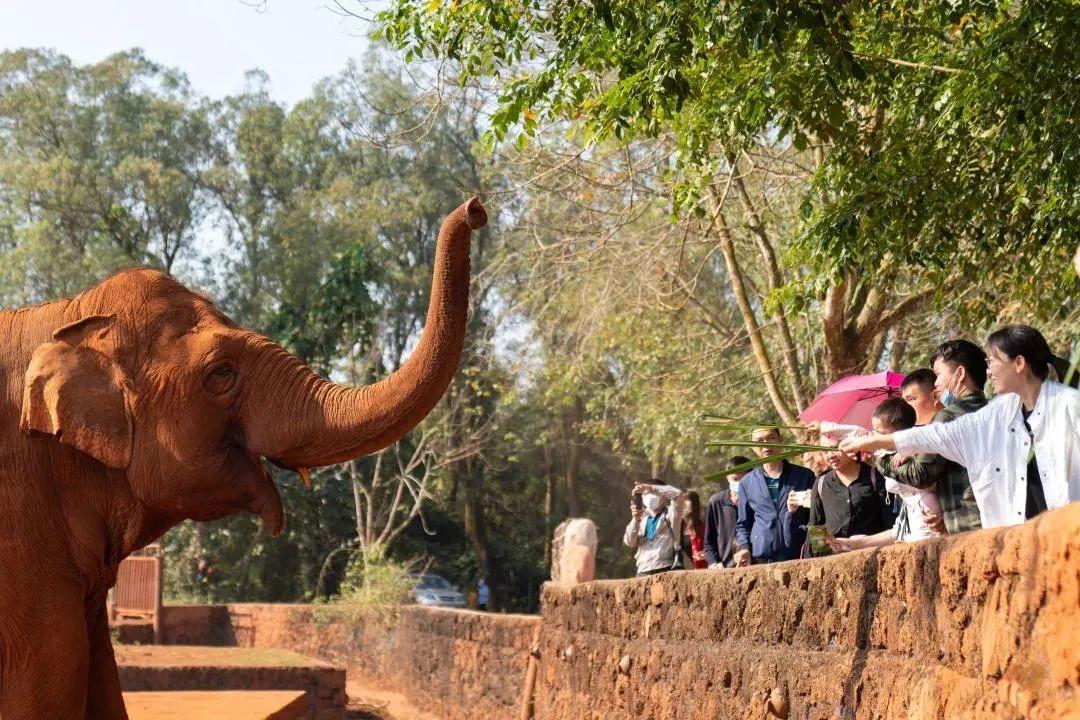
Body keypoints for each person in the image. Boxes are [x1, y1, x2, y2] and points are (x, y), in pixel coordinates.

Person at [841, 326, 1080, 528]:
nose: (989, 371)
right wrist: (874, 442)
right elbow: (940, 435)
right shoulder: (998, 411)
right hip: (1019, 534)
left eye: (993, 362)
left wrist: (877, 447)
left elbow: (923, 468)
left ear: (1018, 363)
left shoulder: (1069, 405)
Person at [876, 341, 989, 534]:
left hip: (967, 526)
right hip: (995, 520)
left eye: (938, 374)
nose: (936, 383)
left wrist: (881, 459)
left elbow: (920, 474)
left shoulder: (948, 417)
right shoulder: (994, 411)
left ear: (959, 374)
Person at [824, 399, 944, 552]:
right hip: (911, 529)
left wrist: (906, 451)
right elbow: (859, 433)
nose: (874, 436)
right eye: (874, 431)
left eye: (880, 434)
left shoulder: (915, 450)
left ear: (899, 435)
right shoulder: (884, 451)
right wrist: (827, 427)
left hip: (928, 524)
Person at [733, 428, 815, 566]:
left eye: (770, 438)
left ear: (780, 439)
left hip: (798, 555)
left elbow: (816, 517)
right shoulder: (747, 483)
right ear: (753, 446)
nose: (766, 445)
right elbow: (743, 524)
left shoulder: (804, 476)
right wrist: (744, 548)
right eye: (759, 441)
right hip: (762, 558)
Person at [807, 435, 893, 547]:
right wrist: (826, 550)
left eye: (835, 448)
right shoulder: (821, 483)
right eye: (825, 451)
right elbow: (815, 527)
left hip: (873, 553)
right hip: (836, 558)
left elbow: (890, 523)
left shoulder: (875, 477)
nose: (830, 455)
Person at [623, 481, 683, 576]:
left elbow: (677, 494)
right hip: (643, 570)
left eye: (654, 493)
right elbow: (629, 542)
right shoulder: (641, 518)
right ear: (642, 497)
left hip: (667, 567)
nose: (650, 496)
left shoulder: (672, 515)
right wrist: (635, 520)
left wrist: (650, 488)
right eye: (646, 493)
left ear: (663, 495)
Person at [704, 456, 750, 569]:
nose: (739, 483)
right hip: (726, 568)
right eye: (735, 479)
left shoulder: (756, 501)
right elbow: (709, 541)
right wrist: (714, 562)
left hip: (752, 564)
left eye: (743, 479)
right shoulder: (716, 502)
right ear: (727, 477)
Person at [680, 491, 708, 569]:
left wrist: (705, 554)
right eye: (681, 500)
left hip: (702, 570)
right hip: (681, 572)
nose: (683, 503)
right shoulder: (675, 528)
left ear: (694, 504)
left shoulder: (703, 527)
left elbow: (713, 549)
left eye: (686, 500)